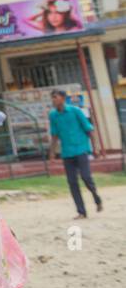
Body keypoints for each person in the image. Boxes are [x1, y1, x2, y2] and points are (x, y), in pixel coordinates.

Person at [47, 89, 104, 218]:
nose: (53, 100)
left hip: (81, 150)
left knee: (86, 178)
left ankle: (97, 198)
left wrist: (95, 148)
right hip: (67, 153)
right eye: (52, 98)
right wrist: (52, 153)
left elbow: (89, 130)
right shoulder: (53, 115)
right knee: (72, 182)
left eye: (55, 97)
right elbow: (54, 135)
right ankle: (81, 212)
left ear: (62, 98)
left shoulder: (76, 111)